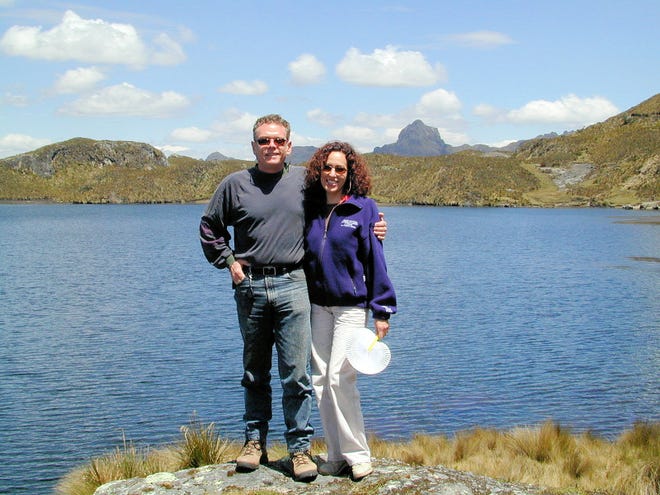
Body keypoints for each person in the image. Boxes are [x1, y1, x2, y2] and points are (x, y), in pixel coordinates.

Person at [199, 115, 387, 482]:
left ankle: (300, 448)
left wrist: (375, 221)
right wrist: (228, 262)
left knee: (298, 374)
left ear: (289, 145)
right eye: (264, 141)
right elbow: (209, 228)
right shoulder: (234, 184)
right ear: (253, 145)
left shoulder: (304, 180)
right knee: (255, 371)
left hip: (294, 285)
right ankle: (255, 443)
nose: (271, 146)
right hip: (250, 287)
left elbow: (345, 199)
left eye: (278, 141)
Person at [303, 141, 397, 481]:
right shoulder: (310, 208)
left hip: (350, 308)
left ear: (350, 174)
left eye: (340, 169)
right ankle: (335, 455)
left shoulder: (364, 209)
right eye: (327, 167)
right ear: (319, 170)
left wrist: (382, 310)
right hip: (317, 307)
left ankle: (358, 455)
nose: (332, 174)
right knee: (319, 381)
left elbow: (376, 261)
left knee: (340, 378)